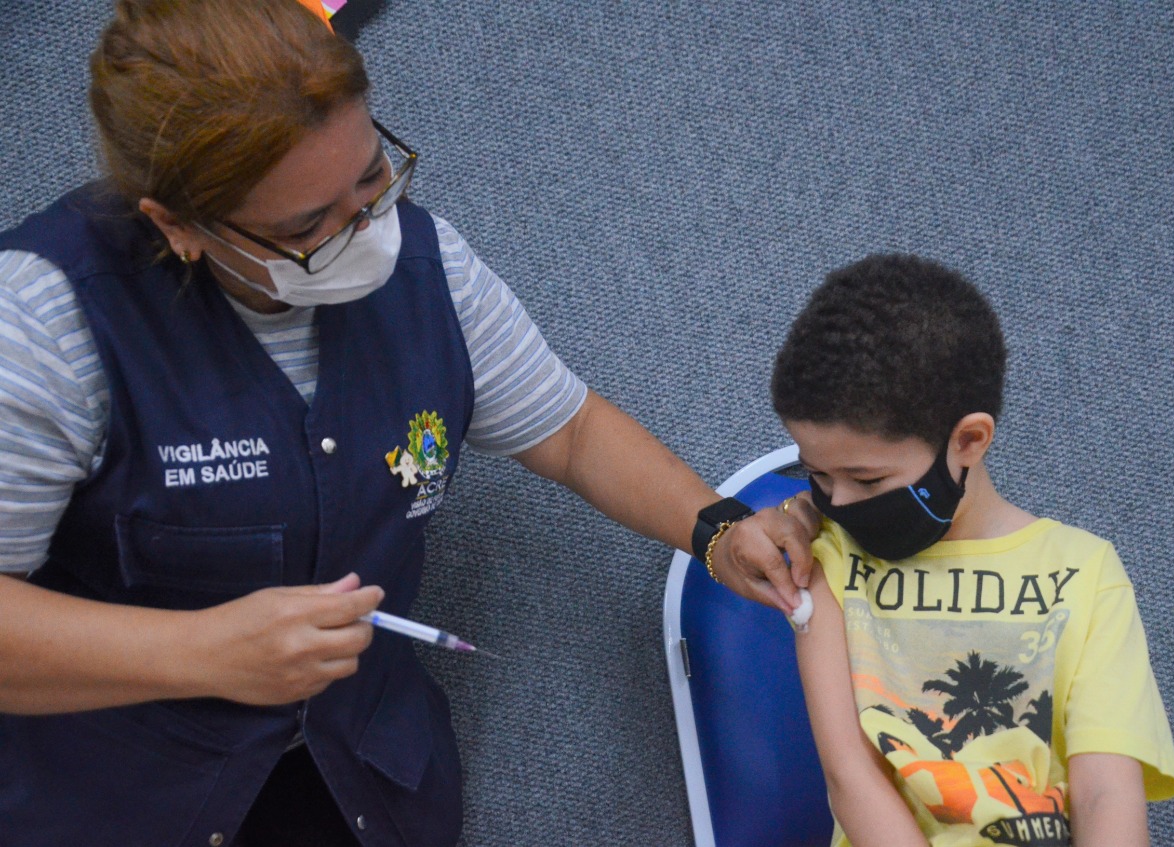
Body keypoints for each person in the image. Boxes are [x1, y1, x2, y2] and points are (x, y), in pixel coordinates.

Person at [0, 2, 819, 845]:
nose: (365, 234)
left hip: (360, 767)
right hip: (122, 782)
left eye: (372, 179)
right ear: (178, 227)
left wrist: (716, 531)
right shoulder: (44, 324)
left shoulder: (430, 270)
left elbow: (570, 432)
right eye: (306, 229)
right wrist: (202, 650)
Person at [770, 255, 1174, 847]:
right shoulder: (825, 561)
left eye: (865, 482)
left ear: (968, 441)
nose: (837, 502)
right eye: (816, 475)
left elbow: (1107, 792)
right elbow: (850, 776)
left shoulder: (1085, 574)